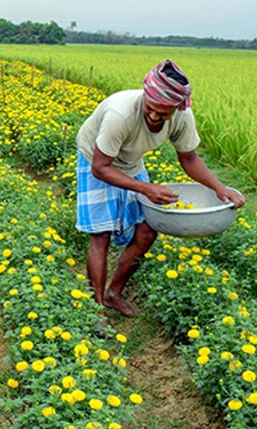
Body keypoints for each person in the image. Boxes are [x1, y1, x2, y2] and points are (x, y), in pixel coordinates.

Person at [75, 60, 246, 317]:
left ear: (177, 108)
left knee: (146, 231)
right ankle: (96, 309)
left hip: (131, 163)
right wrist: (145, 188)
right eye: (150, 109)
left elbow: (189, 158)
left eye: (163, 113)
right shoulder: (121, 114)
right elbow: (101, 167)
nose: (155, 116)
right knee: (101, 234)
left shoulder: (182, 118)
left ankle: (113, 293)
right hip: (95, 158)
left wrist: (219, 188)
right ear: (145, 97)